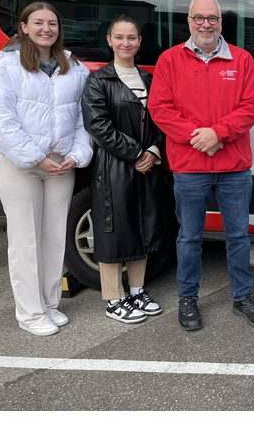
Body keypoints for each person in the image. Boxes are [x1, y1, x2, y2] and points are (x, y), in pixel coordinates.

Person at [148, 0, 254, 331]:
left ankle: (242, 296)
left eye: (212, 18)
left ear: (220, 22)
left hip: (234, 167)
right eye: (199, 18)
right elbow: (160, 109)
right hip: (189, 166)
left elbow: (251, 107)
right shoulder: (170, 60)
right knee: (189, 237)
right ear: (189, 22)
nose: (206, 24)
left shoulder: (242, 61)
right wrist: (197, 137)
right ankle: (187, 298)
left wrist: (218, 134)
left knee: (239, 235)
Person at [0, 2, 92, 336]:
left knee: (53, 239)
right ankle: (29, 313)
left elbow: (84, 120)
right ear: (24, 27)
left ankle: (48, 305)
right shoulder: (6, 68)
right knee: (25, 241)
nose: (47, 29)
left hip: (61, 166)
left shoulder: (75, 68)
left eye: (53, 24)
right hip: (22, 167)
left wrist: (76, 154)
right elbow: (0, 121)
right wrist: (34, 158)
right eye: (39, 23)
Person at [81, 16, 166, 324]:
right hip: (114, 166)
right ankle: (113, 298)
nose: (126, 43)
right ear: (109, 40)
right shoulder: (98, 81)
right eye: (120, 37)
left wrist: (154, 152)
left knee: (143, 227)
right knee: (114, 231)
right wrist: (136, 154)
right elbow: (98, 127)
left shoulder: (149, 80)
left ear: (139, 42)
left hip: (146, 167)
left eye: (132, 37)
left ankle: (137, 290)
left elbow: (161, 122)